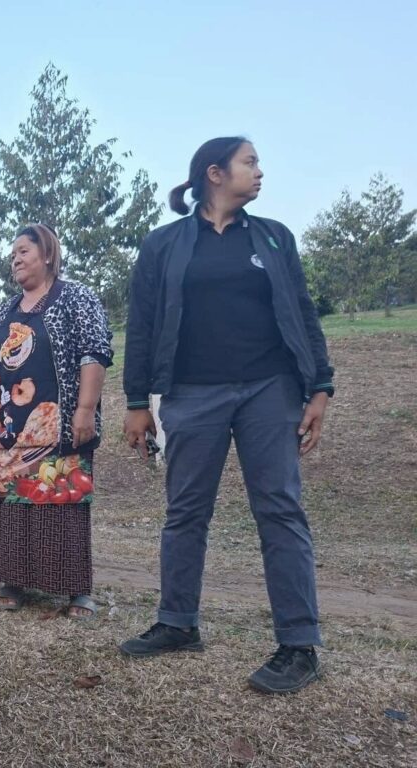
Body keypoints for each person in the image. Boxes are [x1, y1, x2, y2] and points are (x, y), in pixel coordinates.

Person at [119, 137, 334, 695]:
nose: (260, 171)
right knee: (185, 511)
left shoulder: (273, 237)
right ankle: (177, 623)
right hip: (191, 393)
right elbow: (142, 324)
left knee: (280, 509)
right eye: (250, 162)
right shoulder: (164, 244)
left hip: (270, 389)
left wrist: (320, 387)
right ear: (215, 173)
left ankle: (299, 644)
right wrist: (137, 401)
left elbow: (303, 312)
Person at [0, 224, 111, 617]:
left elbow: (94, 353)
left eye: (23, 251)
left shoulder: (76, 297)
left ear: (47, 254)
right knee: (9, 503)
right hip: (5, 425)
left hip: (57, 422)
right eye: (13, 253)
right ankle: (12, 579)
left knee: (62, 498)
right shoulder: (6, 308)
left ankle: (74, 588)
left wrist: (85, 409)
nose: (15, 258)